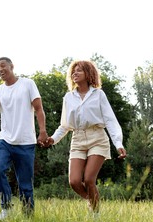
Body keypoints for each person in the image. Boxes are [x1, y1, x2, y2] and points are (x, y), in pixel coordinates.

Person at [45, 60, 126, 213]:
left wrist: (118, 144)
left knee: (89, 179)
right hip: (78, 139)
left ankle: (95, 215)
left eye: (79, 71)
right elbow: (65, 125)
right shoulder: (68, 97)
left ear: (88, 74)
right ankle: (92, 200)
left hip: (97, 138)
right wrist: (53, 139)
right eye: (73, 71)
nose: (75, 73)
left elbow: (110, 120)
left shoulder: (98, 94)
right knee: (74, 181)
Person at [0, 57, 48, 219]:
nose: (0, 70)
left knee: (25, 185)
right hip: (5, 140)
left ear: (11, 66)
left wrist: (42, 131)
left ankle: (28, 217)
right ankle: (6, 207)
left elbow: (39, 109)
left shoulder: (28, 84)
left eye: (3, 66)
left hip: (26, 142)